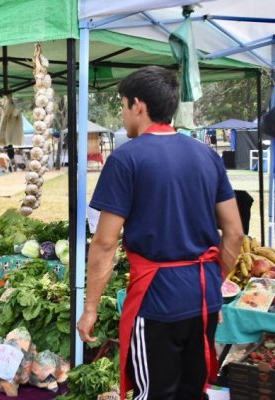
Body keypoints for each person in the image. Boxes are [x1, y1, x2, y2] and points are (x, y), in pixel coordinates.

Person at [77, 66, 243, 400]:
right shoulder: (207, 155)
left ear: (138, 105)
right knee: (193, 390)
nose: (123, 115)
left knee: (155, 393)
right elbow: (235, 233)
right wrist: (213, 283)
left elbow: (105, 242)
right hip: (203, 297)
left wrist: (90, 308)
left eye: (122, 105)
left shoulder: (125, 159)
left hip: (156, 301)